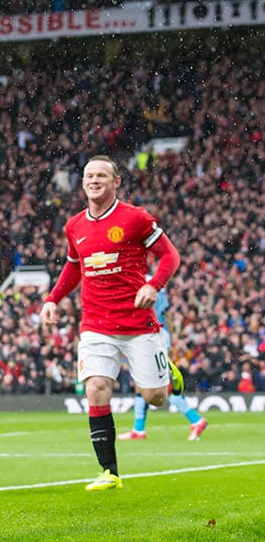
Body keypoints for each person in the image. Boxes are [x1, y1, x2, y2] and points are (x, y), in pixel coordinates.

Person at [40, 154, 181, 492]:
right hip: (95, 324)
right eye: (89, 175)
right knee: (96, 388)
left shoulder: (135, 219)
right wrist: (51, 299)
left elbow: (170, 256)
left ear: (116, 181)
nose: (94, 180)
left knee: (156, 398)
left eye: (102, 175)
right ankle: (109, 472)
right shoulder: (75, 225)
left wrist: (153, 285)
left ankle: (168, 373)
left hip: (137, 324)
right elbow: (74, 266)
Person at [119, 279, 208, 441]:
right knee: (141, 387)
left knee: (165, 388)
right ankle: (138, 429)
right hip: (155, 332)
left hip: (149, 333)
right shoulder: (153, 280)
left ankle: (196, 420)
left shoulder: (137, 279)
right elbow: (165, 313)